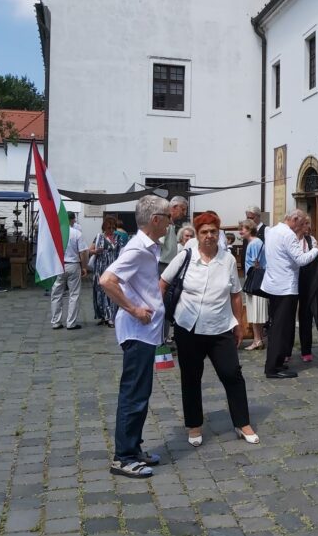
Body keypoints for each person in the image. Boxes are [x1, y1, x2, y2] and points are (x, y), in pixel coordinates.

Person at [160, 212, 259, 447]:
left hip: (220, 328)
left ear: (219, 233)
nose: (209, 236)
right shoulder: (185, 256)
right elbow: (162, 283)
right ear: (197, 234)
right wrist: (158, 318)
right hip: (188, 327)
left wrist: (239, 324)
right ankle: (194, 425)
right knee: (191, 378)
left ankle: (242, 422)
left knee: (232, 374)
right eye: (204, 232)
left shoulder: (226, 260)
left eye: (213, 231)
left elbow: (235, 294)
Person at [99, 195, 170, 478]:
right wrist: (133, 309)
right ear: (155, 220)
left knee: (141, 393)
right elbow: (107, 280)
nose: (170, 222)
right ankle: (123, 457)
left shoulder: (147, 247)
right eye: (167, 217)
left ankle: (133, 447)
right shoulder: (138, 248)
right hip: (138, 333)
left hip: (146, 333)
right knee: (134, 395)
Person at [261, 209, 318, 379]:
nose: (301, 228)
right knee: (280, 328)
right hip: (285, 287)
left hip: (273, 284)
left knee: (279, 326)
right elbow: (301, 260)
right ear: (294, 219)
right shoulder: (288, 235)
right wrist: (316, 250)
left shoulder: (271, 231)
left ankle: (278, 362)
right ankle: (272, 367)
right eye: (301, 224)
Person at [295, 216, 318, 362]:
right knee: (288, 318)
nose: (307, 227)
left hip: (307, 283)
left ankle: (306, 350)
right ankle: (286, 350)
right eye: (305, 224)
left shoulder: (311, 240)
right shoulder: (292, 239)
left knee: (306, 316)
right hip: (292, 282)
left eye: (309, 224)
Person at [50, 212, 89, 330]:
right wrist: (84, 267)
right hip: (73, 264)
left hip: (59, 265)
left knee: (56, 293)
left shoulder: (56, 233)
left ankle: (56, 321)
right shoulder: (77, 233)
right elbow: (83, 252)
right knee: (74, 294)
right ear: (72, 220)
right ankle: (71, 322)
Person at [91, 215, 127, 327]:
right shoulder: (98, 237)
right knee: (99, 292)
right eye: (108, 228)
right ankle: (102, 316)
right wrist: (96, 251)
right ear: (104, 228)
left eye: (113, 228)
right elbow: (90, 250)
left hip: (112, 268)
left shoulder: (118, 238)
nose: (111, 230)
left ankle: (111, 317)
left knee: (111, 292)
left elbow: (123, 252)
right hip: (100, 268)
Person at [239, 219, 267, 350]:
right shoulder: (255, 242)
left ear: (249, 230)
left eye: (243, 229)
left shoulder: (254, 243)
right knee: (257, 312)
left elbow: (256, 263)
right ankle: (259, 338)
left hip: (254, 281)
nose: (240, 231)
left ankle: (257, 340)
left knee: (255, 311)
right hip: (257, 281)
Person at [158, 196, 190, 275]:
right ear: (174, 207)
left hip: (166, 265)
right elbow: (158, 244)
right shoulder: (165, 222)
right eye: (183, 209)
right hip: (162, 265)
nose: (185, 213)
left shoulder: (170, 223)